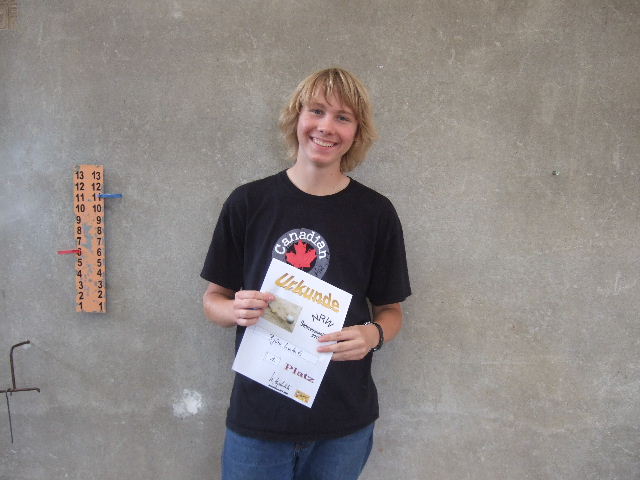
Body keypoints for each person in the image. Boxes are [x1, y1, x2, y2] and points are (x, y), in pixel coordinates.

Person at [201, 67, 411, 480]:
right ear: (296, 117)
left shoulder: (376, 213)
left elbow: (392, 311)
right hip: (259, 419)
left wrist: (373, 335)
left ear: (357, 132)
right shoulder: (248, 202)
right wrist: (234, 310)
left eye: (343, 117)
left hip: (343, 426)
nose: (326, 127)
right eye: (316, 111)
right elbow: (213, 300)